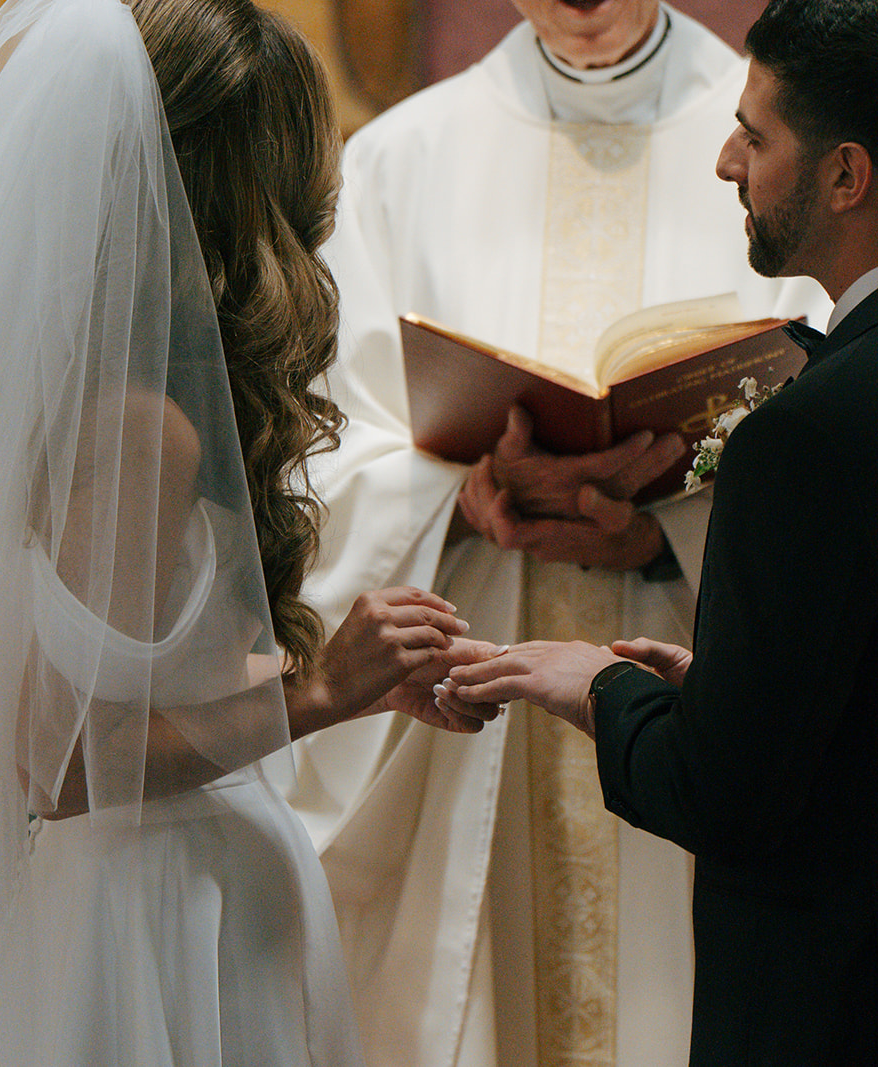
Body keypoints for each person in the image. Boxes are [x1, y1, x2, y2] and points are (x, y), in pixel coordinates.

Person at [0, 0, 498, 1063]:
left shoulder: (97, 385)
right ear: (240, 185)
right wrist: (317, 693)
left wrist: (313, 667)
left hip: (159, 879)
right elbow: (66, 759)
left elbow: (124, 673)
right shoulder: (140, 429)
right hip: (148, 908)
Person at [442, 0, 878, 1061]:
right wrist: (726, 686)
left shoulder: (808, 435)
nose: (728, 160)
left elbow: (720, 795)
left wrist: (596, 684)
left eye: (757, 134)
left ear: (846, 176)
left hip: (861, 1013)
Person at [287, 3, 832, 1064]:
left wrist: (669, 532)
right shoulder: (401, 160)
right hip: (471, 675)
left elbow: (842, 416)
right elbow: (317, 445)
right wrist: (456, 498)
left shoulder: (771, 146)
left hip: (687, 679)